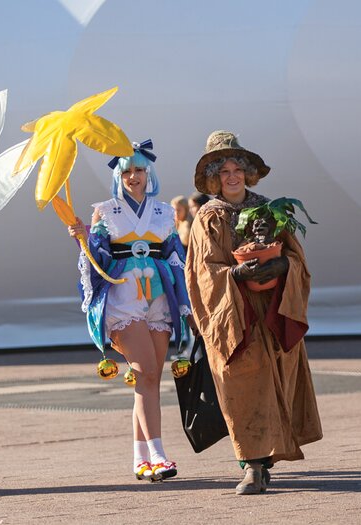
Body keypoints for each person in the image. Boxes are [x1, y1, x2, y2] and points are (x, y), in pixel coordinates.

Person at [184, 130, 322, 495]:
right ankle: (252, 466)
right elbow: (202, 272)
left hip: (273, 311)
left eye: (237, 168)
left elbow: (297, 259)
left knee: (274, 382)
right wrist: (235, 273)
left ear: (247, 171)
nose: (232, 176)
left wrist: (282, 268)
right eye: (224, 170)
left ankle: (265, 459)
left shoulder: (270, 210)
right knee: (241, 386)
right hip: (234, 314)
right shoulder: (207, 218)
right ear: (214, 176)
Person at [68, 139, 196, 482]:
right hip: (124, 300)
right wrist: (84, 238)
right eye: (127, 171)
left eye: (139, 169)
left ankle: (141, 459)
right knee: (146, 371)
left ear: (148, 172)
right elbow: (96, 258)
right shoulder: (104, 211)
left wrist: (183, 297)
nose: (134, 176)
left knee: (151, 377)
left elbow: (173, 254)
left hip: (159, 299)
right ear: (118, 175)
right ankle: (158, 453)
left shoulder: (165, 212)